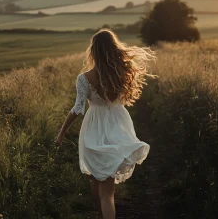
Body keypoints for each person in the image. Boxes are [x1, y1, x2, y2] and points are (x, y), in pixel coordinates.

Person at [56, 29, 156, 219]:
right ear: (113, 49)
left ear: (93, 51)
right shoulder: (120, 73)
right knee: (106, 191)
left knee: (100, 188)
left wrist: (61, 132)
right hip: (118, 123)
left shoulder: (84, 78)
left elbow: (78, 109)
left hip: (94, 127)